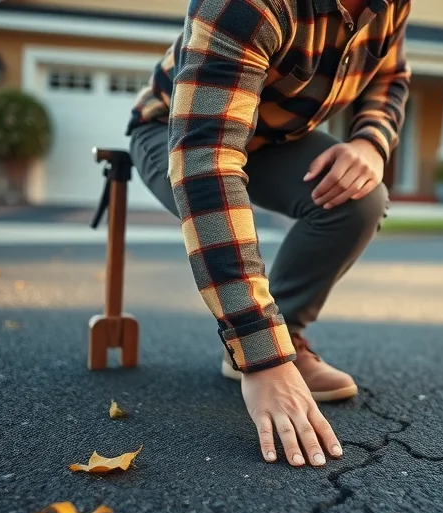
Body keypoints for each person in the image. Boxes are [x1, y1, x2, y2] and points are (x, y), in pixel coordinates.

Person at [126, 0, 411, 469]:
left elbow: (389, 75)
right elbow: (206, 163)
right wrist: (263, 357)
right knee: (220, 208)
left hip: (276, 136)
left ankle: (287, 333)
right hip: (177, 128)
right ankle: (263, 348)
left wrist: (371, 142)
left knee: (360, 198)